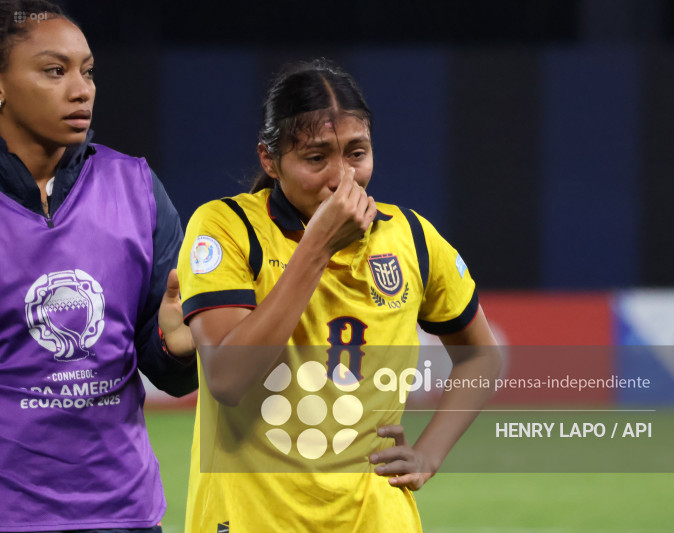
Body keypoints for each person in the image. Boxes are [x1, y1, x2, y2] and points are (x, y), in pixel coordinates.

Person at [177, 58, 501, 531]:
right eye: (315, 157)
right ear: (270, 160)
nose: (341, 178)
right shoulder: (228, 228)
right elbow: (227, 379)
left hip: (374, 518)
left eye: (356, 153)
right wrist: (317, 247)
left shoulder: (411, 237)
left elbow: (481, 357)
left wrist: (429, 453)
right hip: (251, 519)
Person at [0, 2, 197, 531]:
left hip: (124, 515)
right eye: (54, 71)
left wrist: (177, 349)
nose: (81, 88)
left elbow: (171, 374)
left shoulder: (136, 188)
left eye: (87, 71)